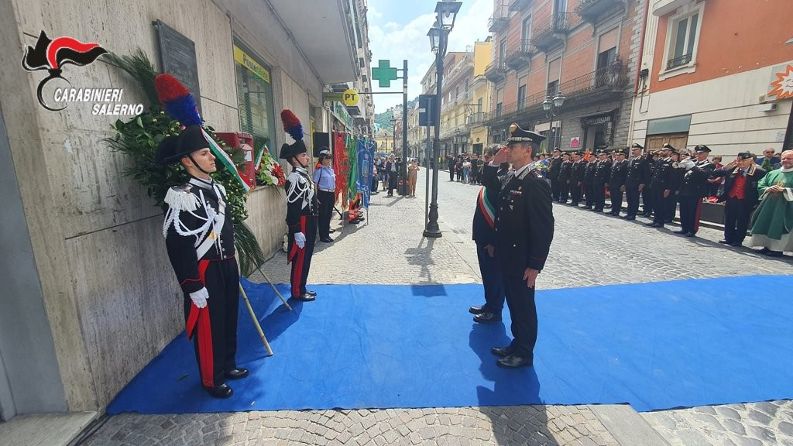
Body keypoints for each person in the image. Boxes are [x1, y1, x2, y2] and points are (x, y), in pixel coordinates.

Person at [157, 125, 247, 399]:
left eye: (210, 153)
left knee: (229, 318)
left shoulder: (217, 190)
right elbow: (178, 244)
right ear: (187, 160)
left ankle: (228, 364)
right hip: (205, 269)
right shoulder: (183, 195)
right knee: (209, 326)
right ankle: (212, 377)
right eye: (205, 153)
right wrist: (192, 284)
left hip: (226, 264)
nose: (212, 158)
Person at [482, 123, 554, 369]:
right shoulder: (514, 177)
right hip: (508, 255)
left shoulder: (535, 182)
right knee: (513, 301)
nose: (508, 149)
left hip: (522, 259)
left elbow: (543, 228)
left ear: (527, 150)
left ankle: (524, 352)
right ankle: (517, 342)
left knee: (523, 305)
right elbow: (489, 182)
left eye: (512, 146)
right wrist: (494, 161)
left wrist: (535, 265)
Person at [280, 110, 319, 301]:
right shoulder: (295, 178)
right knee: (300, 259)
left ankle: (302, 286)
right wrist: (295, 230)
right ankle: (297, 291)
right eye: (303, 155)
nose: (307, 158)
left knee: (307, 257)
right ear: (294, 159)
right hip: (301, 222)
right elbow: (293, 208)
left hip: (310, 221)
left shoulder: (304, 176)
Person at [469, 147, 507, 324]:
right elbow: (484, 179)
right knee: (487, 273)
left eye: (489, 156)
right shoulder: (495, 173)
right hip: (483, 235)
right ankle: (489, 303)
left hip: (492, 239)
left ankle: (495, 309)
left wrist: (494, 241)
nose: (486, 160)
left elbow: (501, 216)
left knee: (495, 275)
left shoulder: (505, 176)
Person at [710, 152, 766, 247]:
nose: (741, 162)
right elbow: (714, 174)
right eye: (739, 160)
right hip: (732, 197)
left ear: (750, 160)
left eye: (744, 160)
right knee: (729, 218)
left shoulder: (758, 171)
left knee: (742, 220)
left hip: (745, 200)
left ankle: (738, 239)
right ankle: (728, 237)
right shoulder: (732, 169)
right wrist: (725, 167)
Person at [749, 149, 793, 256]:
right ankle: (767, 246)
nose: (786, 160)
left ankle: (777, 249)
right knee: (767, 223)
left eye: (789, 158)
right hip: (769, 205)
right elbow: (761, 184)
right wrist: (768, 188)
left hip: (786, 207)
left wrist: (785, 190)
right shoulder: (773, 173)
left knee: (779, 225)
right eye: (784, 158)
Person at [676, 145, 714, 237]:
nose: (698, 155)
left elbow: (704, 175)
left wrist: (693, 167)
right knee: (684, 211)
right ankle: (684, 228)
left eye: (701, 153)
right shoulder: (693, 162)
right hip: (685, 191)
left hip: (695, 193)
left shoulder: (709, 165)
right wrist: (680, 166)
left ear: (706, 154)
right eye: (697, 153)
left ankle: (691, 230)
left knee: (693, 212)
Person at [646, 144, 675, 227]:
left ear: (670, 152)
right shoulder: (660, 161)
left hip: (663, 187)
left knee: (661, 205)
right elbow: (648, 160)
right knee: (655, 204)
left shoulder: (672, 163)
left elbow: (672, 177)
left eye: (665, 150)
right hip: (655, 185)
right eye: (662, 150)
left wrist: (668, 188)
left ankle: (660, 221)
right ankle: (655, 220)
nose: (662, 151)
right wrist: (652, 153)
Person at [313, 149, 336, 243]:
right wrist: (315, 197)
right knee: (323, 215)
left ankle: (327, 234)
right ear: (322, 159)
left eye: (329, 158)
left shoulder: (331, 170)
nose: (328, 160)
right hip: (323, 194)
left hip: (331, 193)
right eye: (326, 158)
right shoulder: (319, 170)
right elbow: (314, 184)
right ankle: (323, 236)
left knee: (329, 214)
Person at [624, 143, 649, 220]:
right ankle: (629, 213)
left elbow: (646, 173)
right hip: (629, 183)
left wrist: (642, 183)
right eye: (632, 150)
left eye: (635, 150)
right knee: (629, 199)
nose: (633, 151)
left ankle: (633, 214)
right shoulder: (631, 159)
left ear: (640, 151)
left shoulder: (643, 160)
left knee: (634, 199)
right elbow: (627, 172)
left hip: (636, 184)